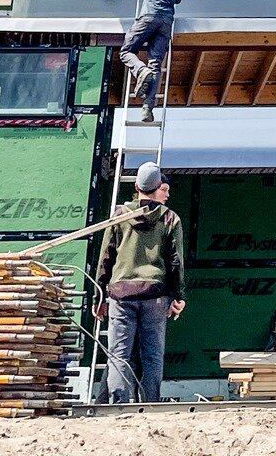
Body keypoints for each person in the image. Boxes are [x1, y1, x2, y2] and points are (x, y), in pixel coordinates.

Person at [95, 161, 186, 404]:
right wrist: (179, 296)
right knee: (152, 356)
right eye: (165, 189)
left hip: (121, 295)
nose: (168, 194)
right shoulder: (170, 219)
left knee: (119, 354)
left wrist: (99, 297)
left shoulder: (120, 216)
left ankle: (118, 405)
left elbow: (106, 257)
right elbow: (175, 261)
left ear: (136, 186)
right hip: (155, 295)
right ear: (157, 188)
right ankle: (150, 404)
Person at [122, 0, 184, 122]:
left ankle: (140, 70)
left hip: (148, 15)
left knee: (126, 51)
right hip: (166, 20)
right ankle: (147, 109)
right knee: (155, 63)